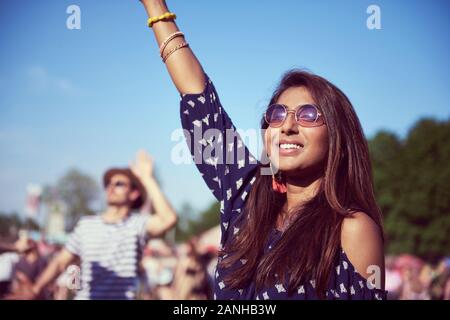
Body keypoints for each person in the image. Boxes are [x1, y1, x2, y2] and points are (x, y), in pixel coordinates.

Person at [138, 0, 386, 300]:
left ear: (338, 138)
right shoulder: (246, 196)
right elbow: (198, 98)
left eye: (308, 115)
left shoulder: (351, 229)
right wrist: (154, 6)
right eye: (278, 114)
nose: (288, 126)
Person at [9, 150, 178, 300]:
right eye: (108, 184)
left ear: (133, 193)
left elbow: (168, 219)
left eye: (119, 184)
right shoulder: (86, 225)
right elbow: (61, 262)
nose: (110, 187)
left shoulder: (137, 224)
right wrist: (36, 289)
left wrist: (147, 178)